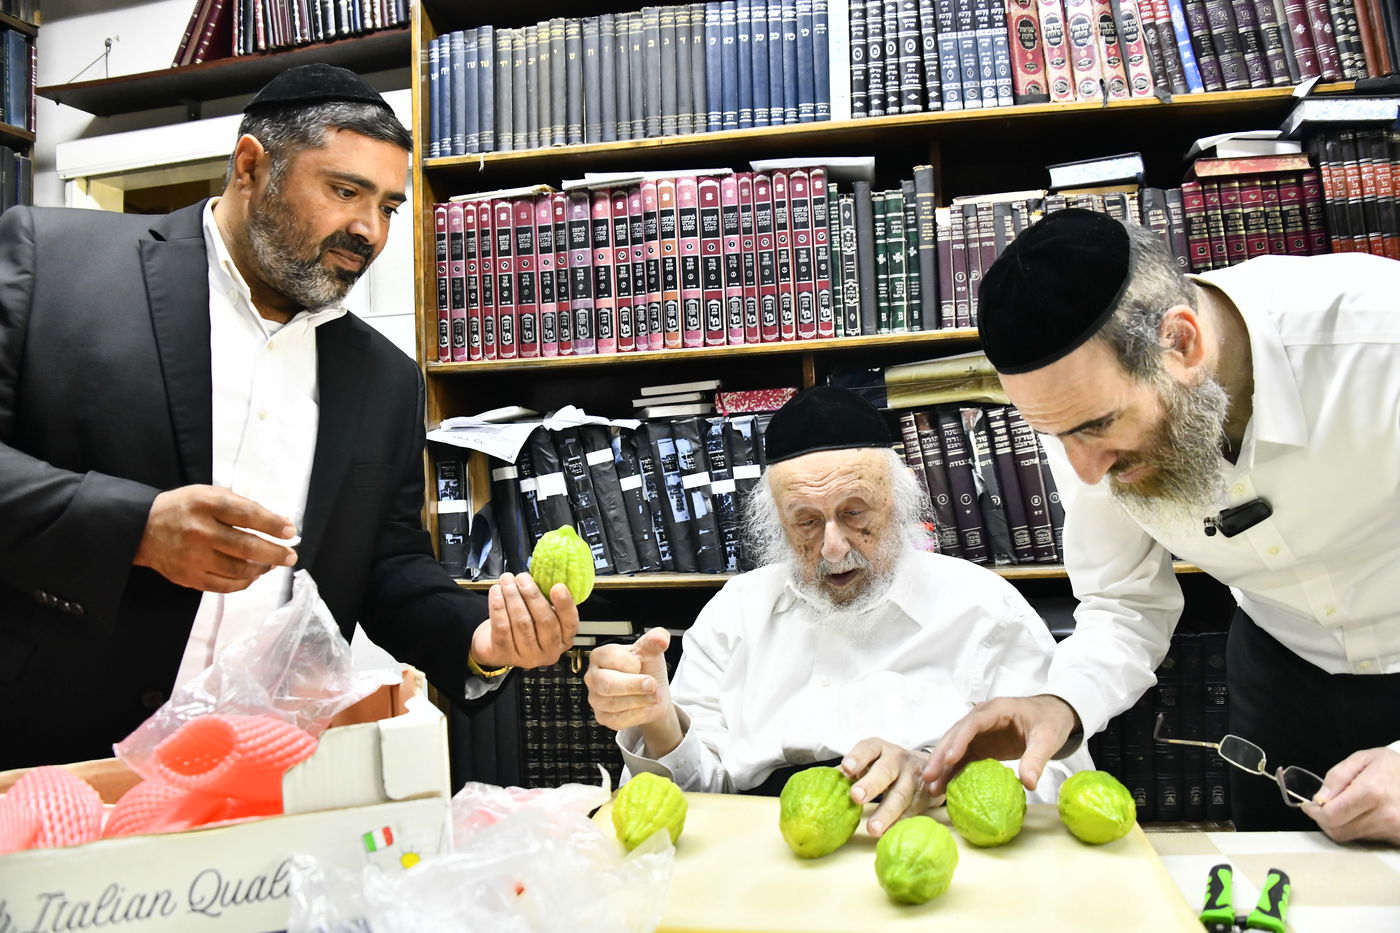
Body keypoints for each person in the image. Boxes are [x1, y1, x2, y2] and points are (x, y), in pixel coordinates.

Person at [0, 64, 576, 771]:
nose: (368, 230)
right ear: (251, 167)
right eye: (344, 191)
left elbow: (389, 563)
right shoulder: (53, 263)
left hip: (263, 777)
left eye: (389, 207)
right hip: (45, 761)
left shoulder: (386, 378)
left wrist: (480, 641)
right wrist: (135, 531)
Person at [923, 208, 1400, 843]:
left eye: (1094, 426)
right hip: (1283, 671)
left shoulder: (1379, 341)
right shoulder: (1085, 416)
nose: (1086, 473)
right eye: (1055, 434)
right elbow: (1123, 601)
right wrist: (1060, 704)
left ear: (1181, 343)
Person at [585, 386, 1091, 837]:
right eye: (805, 522)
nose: (832, 547)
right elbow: (699, 796)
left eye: (854, 513)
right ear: (777, 526)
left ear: (897, 503)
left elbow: (1056, 778)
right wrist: (657, 719)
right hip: (765, 854)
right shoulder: (733, 613)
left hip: (925, 847)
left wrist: (938, 778)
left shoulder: (983, 608)